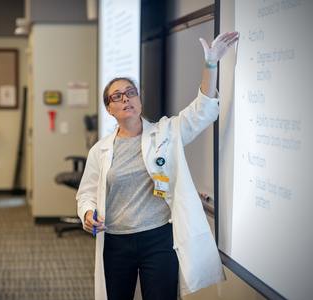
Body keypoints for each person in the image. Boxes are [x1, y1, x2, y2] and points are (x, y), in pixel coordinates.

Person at [77, 31, 239, 300]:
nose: (126, 99)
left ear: (139, 101)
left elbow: (202, 110)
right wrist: (87, 213)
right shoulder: (101, 150)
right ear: (109, 108)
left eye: (131, 93)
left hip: (159, 238)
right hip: (116, 241)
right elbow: (86, 193)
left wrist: (211, 65)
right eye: (117, 96)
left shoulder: (166, 132)